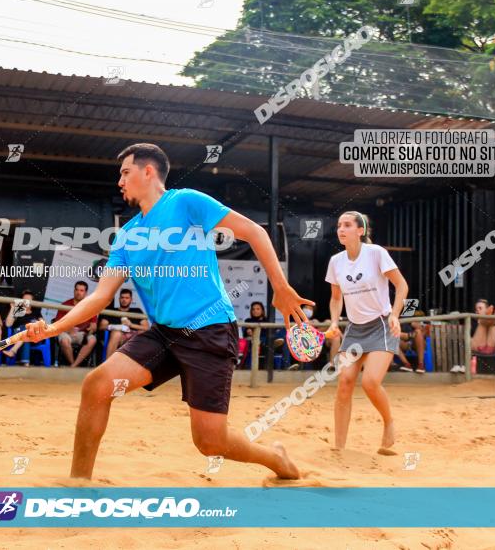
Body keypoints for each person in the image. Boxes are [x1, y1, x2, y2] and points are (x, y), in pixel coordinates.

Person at [24, 143, 310, 480]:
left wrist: (280, 286)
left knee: (210, 442)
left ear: (148, 172)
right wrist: (54, 327)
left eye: (125, 173)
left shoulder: (186, 202)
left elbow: (255, 232)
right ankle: (79, 483)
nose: (120, 181)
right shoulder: (127, 237)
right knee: (97, 386)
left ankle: (275, 457)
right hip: (164, 334)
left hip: (210, 330)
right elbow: (100, 296)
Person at [325, 211, 408, 454]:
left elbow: (401, 285)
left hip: (381, 324)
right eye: (339, 225)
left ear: (360, 231)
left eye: (347, 225)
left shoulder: (376, 254)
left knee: (370, 382)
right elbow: (335, 297)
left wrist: (395, 314)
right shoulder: (336, 261)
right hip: (354, 329)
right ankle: (339, 448)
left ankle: (389, 422)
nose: (341, 229)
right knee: (344, 382)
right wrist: (333, 322)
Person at [54, 281, 98, 367]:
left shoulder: (90, 306)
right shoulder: (65, 304)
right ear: (74, 291)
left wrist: (92, 328)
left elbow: (94, 326)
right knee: (64, 340)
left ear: (86, 293)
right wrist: (68, 329)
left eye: (81, 290)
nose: (78, 292)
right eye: (77, 290)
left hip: (82, 334)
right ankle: (73, 365)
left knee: (92, 340)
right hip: (66, 332)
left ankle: (73, 366)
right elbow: (57, 324)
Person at [98, 288, 148, 361]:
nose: (124, 300)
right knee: (117, 333)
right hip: (118, 338)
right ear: (119, 299)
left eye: (127, 298)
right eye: (122, 297)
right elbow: (102, 326)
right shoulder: (112, 311)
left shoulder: (137, 310)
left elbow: (146, 327)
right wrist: (115, 327)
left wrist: (131, 325)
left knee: (142, 334)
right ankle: (108, 364)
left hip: (134, 338)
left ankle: (138, 367)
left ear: (131, 299)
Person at [2, 290, 44, 365]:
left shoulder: (36, 312)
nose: (26, 302)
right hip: (19, 334)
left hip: (35, 336)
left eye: (28, 300)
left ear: (32, 301)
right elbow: (8, 324)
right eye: (24, 300)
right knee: (26, 336)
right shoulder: (19, 311)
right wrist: (12, 308)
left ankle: (13, 351)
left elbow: (43, 325)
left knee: (28, 330)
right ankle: (26, 365)